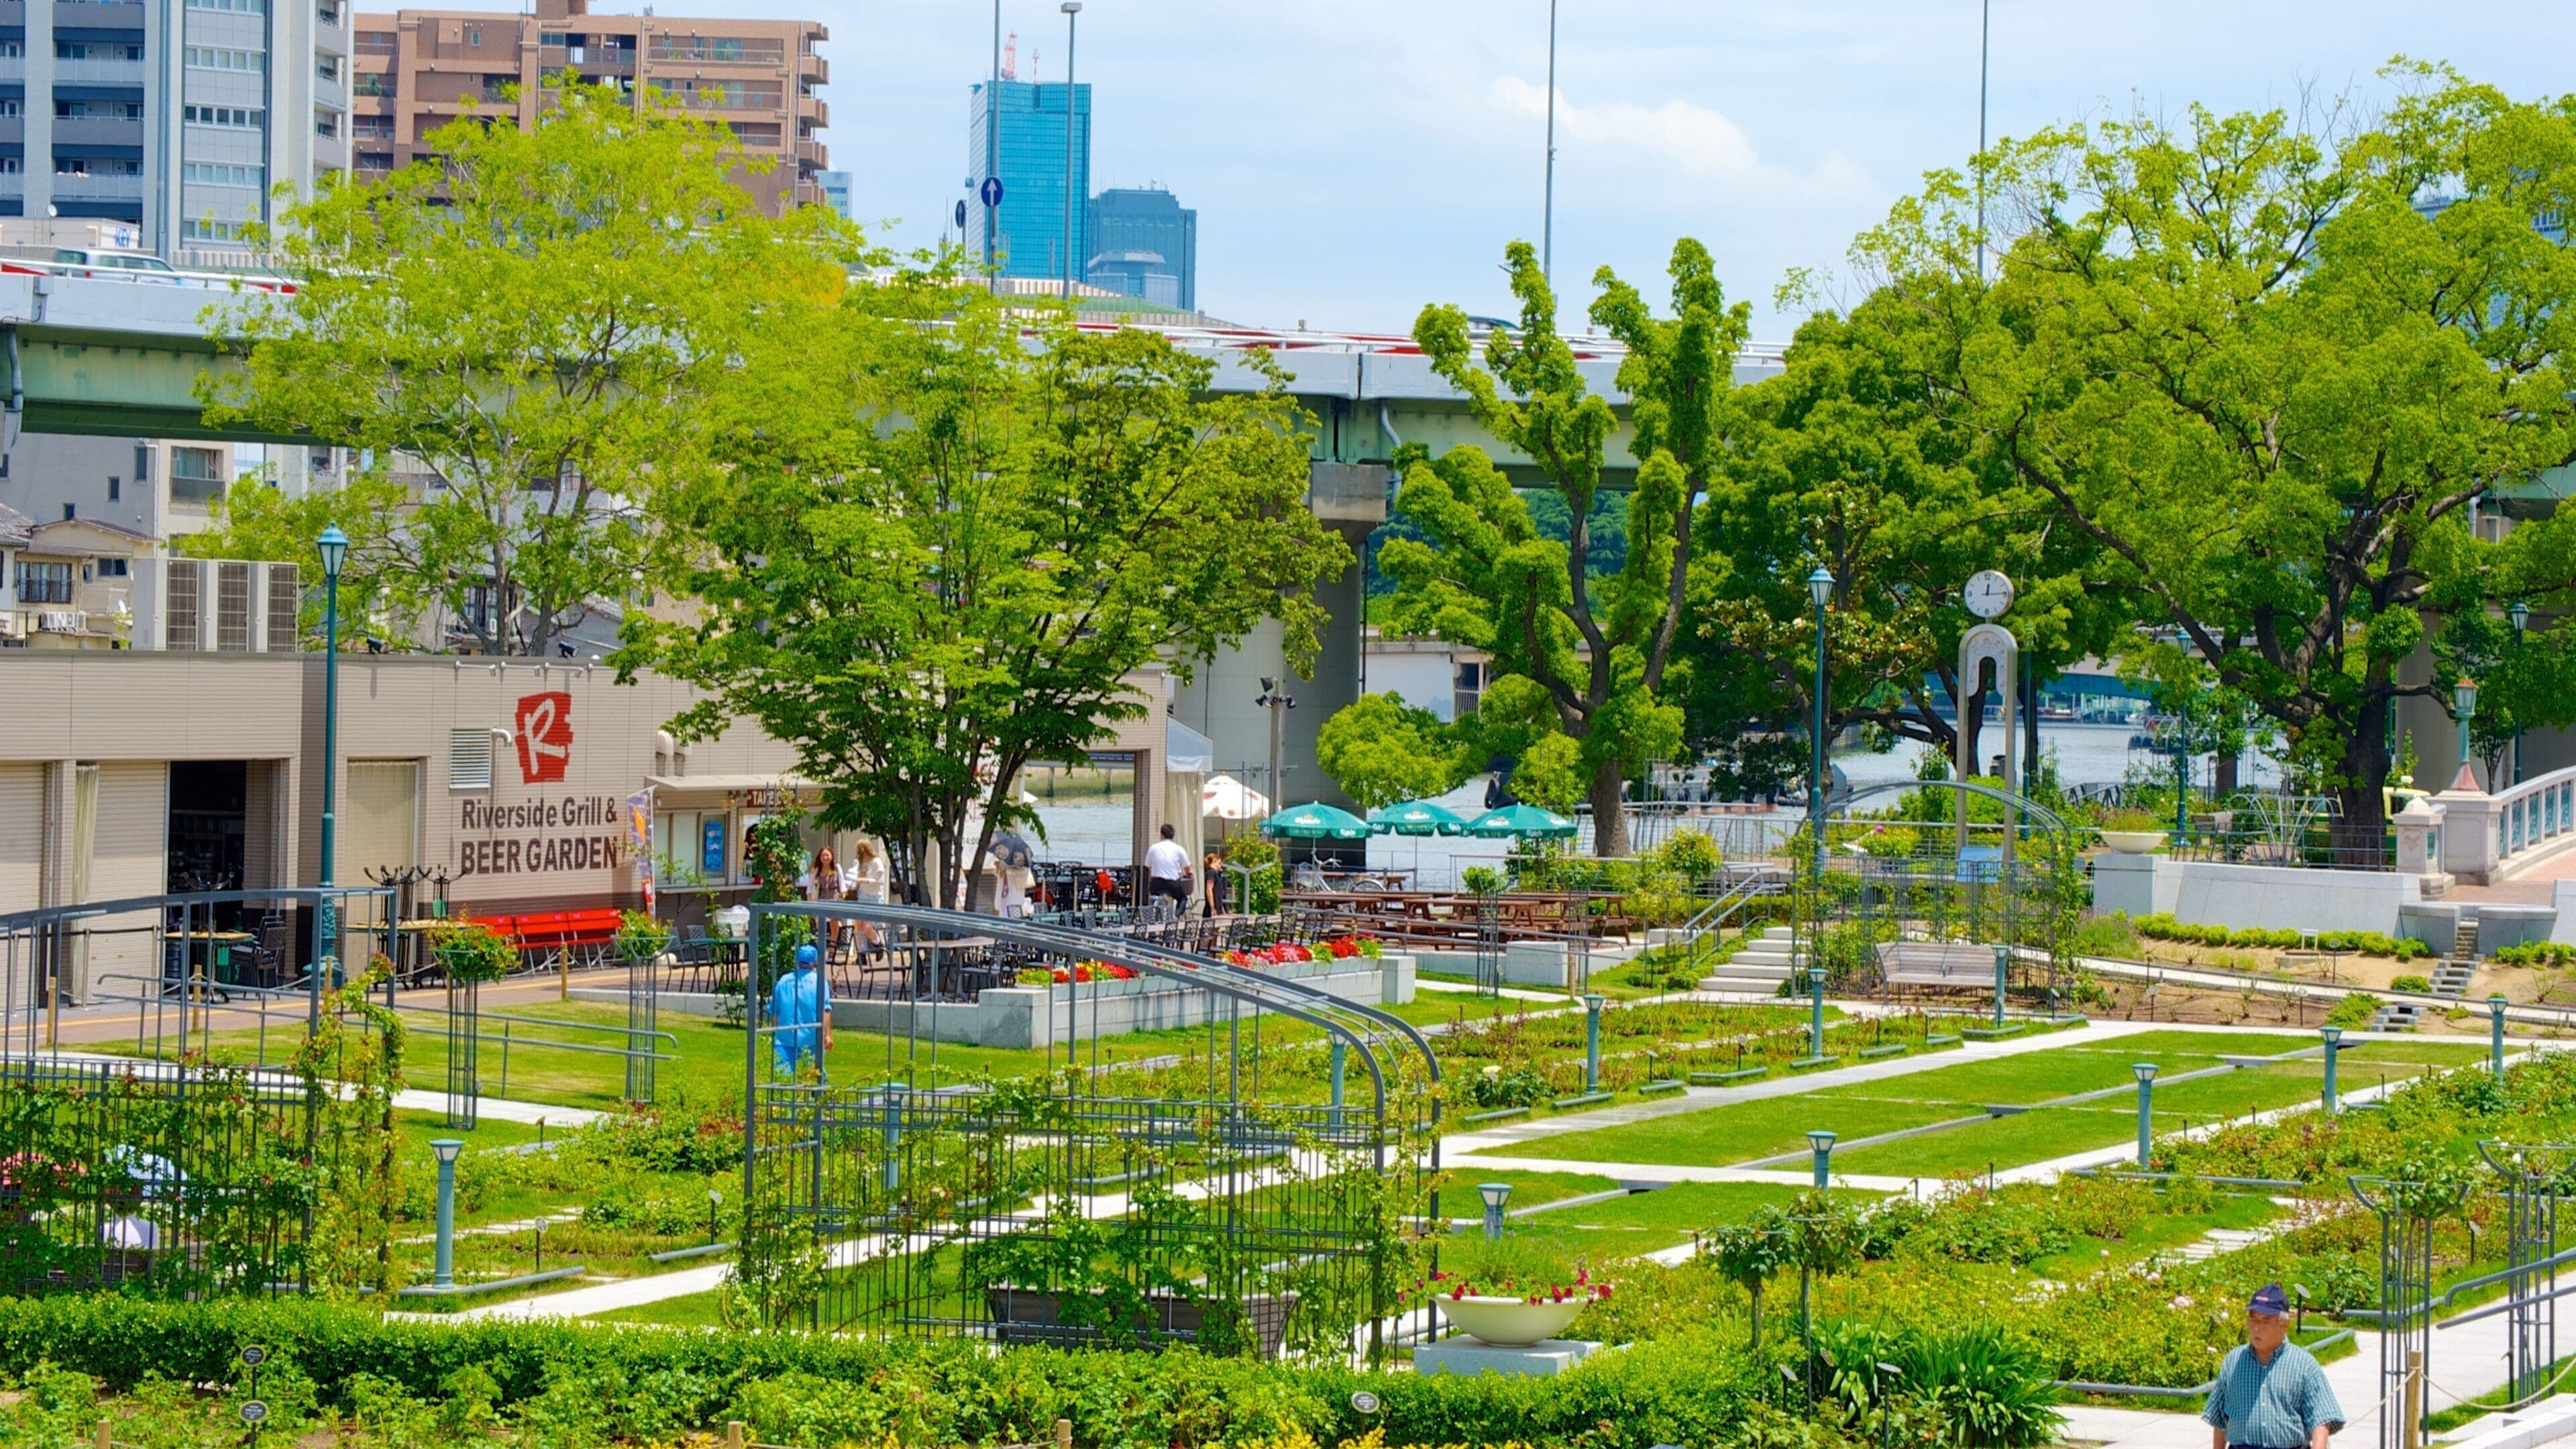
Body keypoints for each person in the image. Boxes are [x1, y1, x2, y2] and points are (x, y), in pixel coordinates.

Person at [2204, 1283, 2343, 1449]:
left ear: (2284, 1325)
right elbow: (2219, 1418)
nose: (2257, 1327)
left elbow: (2321, 1419)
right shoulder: (2234, 1361)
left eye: (2265, 1321)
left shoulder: (2303, 1364)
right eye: (2253, 1319)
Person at [767, 943, 832, 1078]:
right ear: (815, 962)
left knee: (782, 1077)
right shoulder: (820, 982)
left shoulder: (784, 981)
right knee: (815, 1073)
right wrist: (827, 1035)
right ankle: (821, 1097)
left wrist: (776, 1033)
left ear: (797, 960)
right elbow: (826, 1010)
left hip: (786, 1037)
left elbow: (775, 1011)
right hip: (811, 1037)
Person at [1144, 823, 1193, 914]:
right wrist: (1189, 873)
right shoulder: (1179, 849)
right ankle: (1177, 916)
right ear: (1173, 836)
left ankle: (1154, 913)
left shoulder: (1153, 848)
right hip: (1172, 883)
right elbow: (1187, 869)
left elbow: (1147, 866)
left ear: (1161, 835)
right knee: (1183, 898)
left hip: (1156, 883)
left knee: (1154, 896)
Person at [1201, 851, 1226, 918]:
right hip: (1212, 911)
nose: (1220, 865)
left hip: (1217, 909)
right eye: (1219, 863)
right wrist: (1212, 908)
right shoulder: (1211, 872)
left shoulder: (1215, 874)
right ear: (1215, 861)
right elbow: (1209, 890)